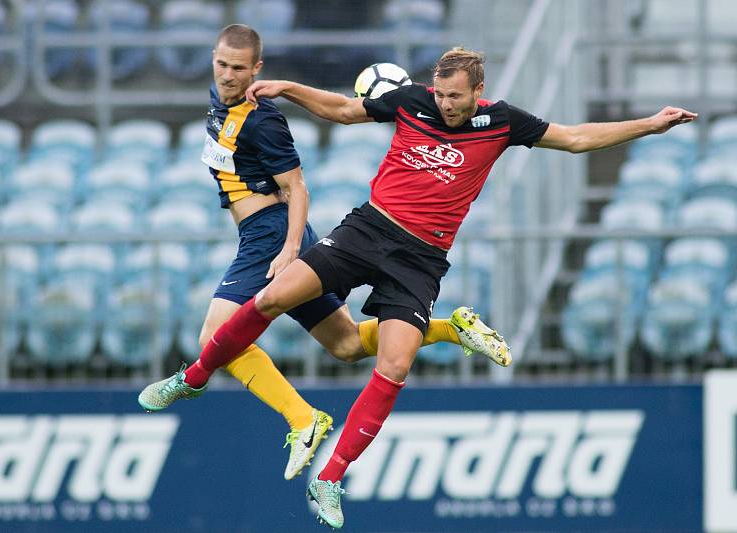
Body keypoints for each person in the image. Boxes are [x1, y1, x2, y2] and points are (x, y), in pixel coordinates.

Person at [137, 29, 510, 482]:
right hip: (262, 235)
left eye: (239, 68)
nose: (228, 74)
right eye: (222, 64)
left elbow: (297, 188)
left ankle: (297, 417)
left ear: (257, 69)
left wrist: (290, 246)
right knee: (347, 344)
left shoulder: (261, 119)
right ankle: (452, 329)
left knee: (213, 337)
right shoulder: (220, 101)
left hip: (268, 236)